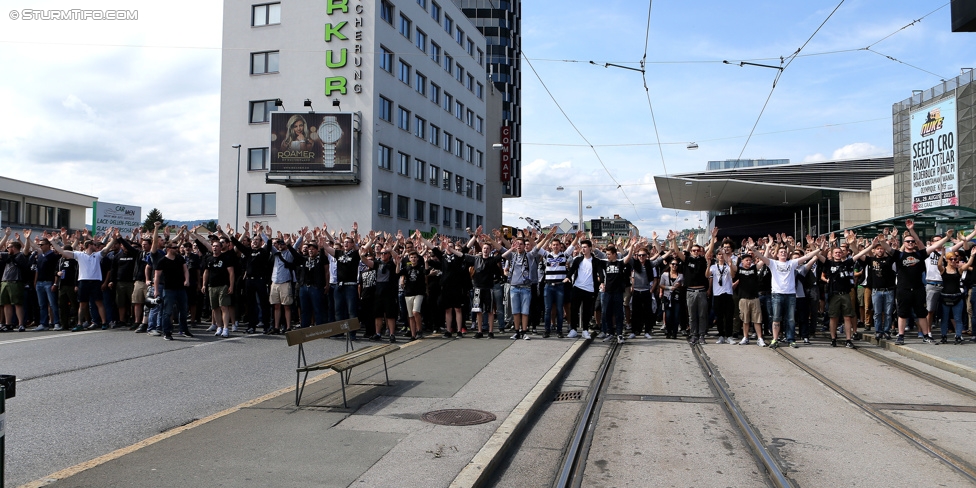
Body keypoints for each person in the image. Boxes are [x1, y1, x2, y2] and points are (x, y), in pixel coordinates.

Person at [753, 235, 820, 349]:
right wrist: (762, 247)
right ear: (777, 255)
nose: (783, 253)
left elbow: (808, 256)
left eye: (785, 252)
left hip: (790, 295)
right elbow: (761, 256)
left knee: (791, 319)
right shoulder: (773, 263)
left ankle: (791, 339)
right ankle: (775, 339)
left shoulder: (792, 263)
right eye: (781, 252)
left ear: (787, 254)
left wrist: (819, 249)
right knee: (776, 318)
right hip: (777, 294)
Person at [892, 220, 950, 345]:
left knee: (922, 314)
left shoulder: (920, 254)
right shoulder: (899, 255)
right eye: (908, 241)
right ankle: (901, 336)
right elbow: (887, 248)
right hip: (903, 289)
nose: (911, 243)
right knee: (902, 314)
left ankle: (926, 335)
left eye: (912, 241)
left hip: (918, 288)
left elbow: (934, 246)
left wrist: (947, 237)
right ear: (904, 243)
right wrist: (882, 240)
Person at [50, 227, 118, 331]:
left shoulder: (97, 255)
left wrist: (113, 239)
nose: (96, 246)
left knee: (99, 303)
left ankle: (104, 323)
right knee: (82, 304)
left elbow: (106, 249)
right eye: (94, 245)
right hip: (83, 282)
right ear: (89, 245)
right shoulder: (79, 255)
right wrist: (52, 242)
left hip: (96, 282)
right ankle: (79, 324)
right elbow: (63, 252)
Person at [672, 229, 715, 345]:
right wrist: (674, 240)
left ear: (700, 251)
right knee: (691, 315)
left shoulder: (703, 260)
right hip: (690, 291)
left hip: (701, 291)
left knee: (702, 315)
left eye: (697, 250)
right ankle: (694, 334)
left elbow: (710, 250)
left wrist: (712, 238)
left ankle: (701, 335)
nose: (696, 252)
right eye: (694, 250)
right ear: (691, 251)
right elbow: (677, 251)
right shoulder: (687, 259)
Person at [566, 239, 605, 340]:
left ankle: (585, 330)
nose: (583, 249)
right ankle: (573, 329)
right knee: (574, 309)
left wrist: (601, 282)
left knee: (587, 311)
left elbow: (600, 273)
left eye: (585, 247)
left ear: (590, 248)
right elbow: (572, 270)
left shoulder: (596, 261)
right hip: (578, 287)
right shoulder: (578, 260)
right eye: (582, 247)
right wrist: (568, 277)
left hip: (590, 289)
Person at [154, 240, 191, 341]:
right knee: (168, 312)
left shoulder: (179, 258)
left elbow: (185, 270)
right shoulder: (162, 261)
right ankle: (167, 332)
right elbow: (157, 276)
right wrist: (156, 290)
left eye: (177, 247)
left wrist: (187, 280)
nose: (177, 249)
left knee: (183, 310)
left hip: (181, 288)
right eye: (174, 248)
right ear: (168, 249)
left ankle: (184, 330)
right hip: (169, 289)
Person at [937, 251, 975, 344]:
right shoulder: (943, 270)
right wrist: (942, 254)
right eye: (951, 259)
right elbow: (938, 265)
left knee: (958, 318)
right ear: (947, 260)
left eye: (955, 259)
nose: (953, 261)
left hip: (957, 297)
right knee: (944, 318)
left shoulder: (959, 270)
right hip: (945, 297)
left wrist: (972, 255)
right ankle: (943, 336)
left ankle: (958, 336)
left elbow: (969, 264)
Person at [26, 234, 60, 331]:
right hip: (39, 283)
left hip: (49, 282)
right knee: (42, 305)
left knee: (53, 304)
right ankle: (43, 323)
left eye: (42, 244)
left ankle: (56, 322)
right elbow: (37, 270)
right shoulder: (40, 256)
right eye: (40, 244)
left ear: (48, 245)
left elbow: (56, 271)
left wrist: (55, 283)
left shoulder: (54, 256)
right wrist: (35, 282)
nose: (40, 246)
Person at [0, 229, 30, 332]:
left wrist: (27, 239)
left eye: (9, 247)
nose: (7, 249)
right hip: (5, 281)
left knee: (17, 304)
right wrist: (6, 236)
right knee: (6, 304)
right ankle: (8, 324)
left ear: (13, 248)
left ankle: (21, 324)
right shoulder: (6, 256)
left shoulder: (20, 255)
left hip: (16, 281)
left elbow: (26, 249)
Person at [600, 245, 631, 343]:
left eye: (609, 254)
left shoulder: (620, 263)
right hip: (607, 292)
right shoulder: (605, 263)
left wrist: (632, 247)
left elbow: (629, 257)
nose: (607, 256)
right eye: (606, 254)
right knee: (606, 313)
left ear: (614, 254)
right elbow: (594, 257)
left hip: (618, 292)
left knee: (619, 314)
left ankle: (620, 334)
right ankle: (610, 333)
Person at [733, 251, 765, 346]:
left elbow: (763, 259)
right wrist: (723, 252)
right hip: (743, 299)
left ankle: (760, 338)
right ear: (742, 261)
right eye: (746, 260)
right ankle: (745, 337)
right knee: (745, 320)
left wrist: (766, 247)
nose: (748, 262)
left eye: (750, 260)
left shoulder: (754, 268)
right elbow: (731, 265)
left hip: (754, 298)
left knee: (757, 320)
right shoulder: (739, 270)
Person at [707, 245, 736, 344]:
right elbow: (707, 275)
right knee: (719, 316)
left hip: (727, 293)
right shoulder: (713, 267)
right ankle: (721, 335)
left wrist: (730, 264)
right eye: (719, 254)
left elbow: (732, 275)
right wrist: (708, 264)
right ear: (716, 256)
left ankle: (729, 335)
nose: (721, 256)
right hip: (717, 294)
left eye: (722, 254)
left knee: (728, 316)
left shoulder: (728, 266)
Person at [398, 249, 427, 341]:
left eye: (415, 257)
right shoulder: (407, 268)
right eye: (411, 257)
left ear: (417, 258)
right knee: (410, 315)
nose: (413, 259)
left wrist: (426, 262)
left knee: (415, 312)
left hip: (419, 293)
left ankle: (419, 331)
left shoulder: (421, 267)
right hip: (408, 293)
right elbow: (398, 273)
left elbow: (427, 272)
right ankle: (413, 334)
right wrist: (398, 263)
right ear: (409, 259)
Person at [659, 258, 683, 339]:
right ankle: (668, 331)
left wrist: (679, 285)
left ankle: (674, 332)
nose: (674, 266)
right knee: (668, 316)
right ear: (669, 265)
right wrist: (668, 288)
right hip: (667, 297)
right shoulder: (664, 275)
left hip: (677, 297)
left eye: (676, 264)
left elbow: (683, 284)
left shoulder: (680, 275)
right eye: (673, 264)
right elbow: (661, 284)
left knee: (676, 316)